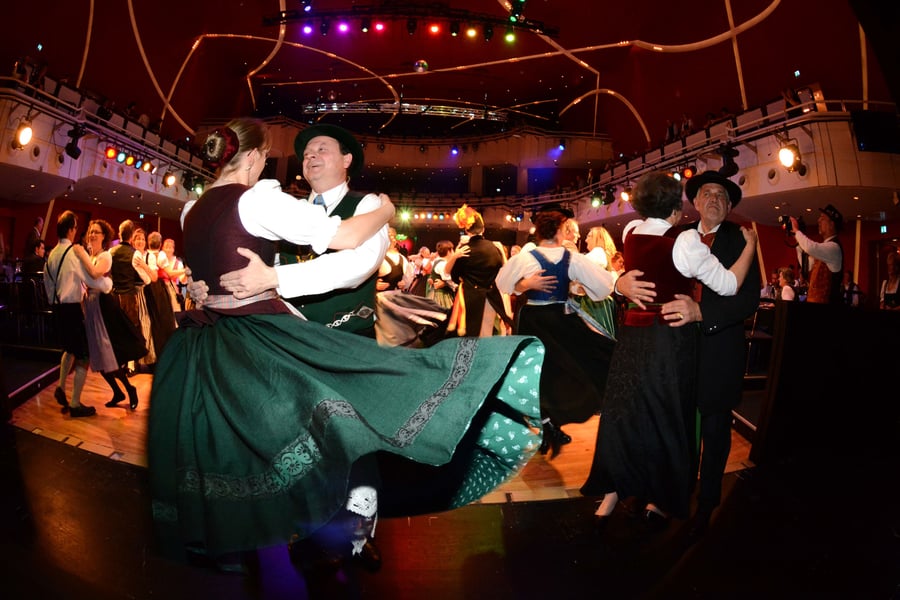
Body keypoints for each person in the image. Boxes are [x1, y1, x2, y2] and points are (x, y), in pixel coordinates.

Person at [149, 118, 544, 577]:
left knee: (354, 437)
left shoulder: (365, 202)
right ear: (257, 157)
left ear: (347, 160)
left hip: (334, 336)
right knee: (292, 440)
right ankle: (301, 528)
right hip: (280, 339)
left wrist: (269, 279)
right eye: (306, 151)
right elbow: (250, 261)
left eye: (322, 148)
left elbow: (354, 267)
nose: (311, 157)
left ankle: (355, 535)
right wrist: (236, 285)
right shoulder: (277, 204)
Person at [581, 170, 758, 531]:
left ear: (729, 206)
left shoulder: (741, 240)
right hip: (670, 354)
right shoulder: (676, 235)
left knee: (714, 428)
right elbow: (642, 272)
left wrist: (701, 312)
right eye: (707, 193)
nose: (714, 199)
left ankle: (706, 503)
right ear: (691, 202)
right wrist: (620, 283)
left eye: (723, 196)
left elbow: (747, 299)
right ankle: (662, 494)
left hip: (716, 349)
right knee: (663, 422)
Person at [496, 205, 616, 458]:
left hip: (537, 320)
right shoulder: (570, 258)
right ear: (560, 230)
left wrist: (523, 284)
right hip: (555, 321)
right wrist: (528, 284)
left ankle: (548, 425)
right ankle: (548, 426)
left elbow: (502, 282)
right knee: (564, 372)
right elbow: (603, 286)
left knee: (542, 377)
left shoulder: (528, 257)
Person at [43, 210, 113, 417]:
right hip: (72, 309)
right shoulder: (73, 252)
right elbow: (91, 279)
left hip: (57, 308)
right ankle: (75, 404)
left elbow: (47, 284)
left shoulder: (52, 253)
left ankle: (61, 386)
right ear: (72, 229)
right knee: (83, 356)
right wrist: (107, 284)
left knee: (69, 349)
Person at [72, 219, 144, 409]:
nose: (92, 234)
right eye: (90, 231)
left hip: (105, 309)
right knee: (98, 356)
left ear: (104, 236)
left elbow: (95, 274)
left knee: (108, 356)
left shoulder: (105, 256)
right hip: (91, 307)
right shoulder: (91, 256)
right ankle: (118, 392)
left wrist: (80, 255)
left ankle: (129, 390)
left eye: (96, 232)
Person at [444, 205, 512, 337]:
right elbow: (505, 270)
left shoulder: (464, 250)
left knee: (466, 337)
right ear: (483, 229)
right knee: (487, 334)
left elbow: (452, 276)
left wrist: (455, 256)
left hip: (468, 299)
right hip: (491, 298)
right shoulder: (495, 248)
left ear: (467, 230)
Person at [790, 204, 843, 304]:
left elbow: (810, 247)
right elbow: (807, 266)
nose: (818, 221)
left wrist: (797, 231)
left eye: (822, 218)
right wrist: (796, 239)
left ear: (831, 224)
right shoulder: (825, 249)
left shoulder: (833, 248)